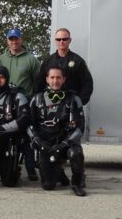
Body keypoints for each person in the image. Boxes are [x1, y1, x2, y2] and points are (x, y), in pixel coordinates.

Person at [28, 66, 87, 196]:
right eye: (52, 77)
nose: (55, 81)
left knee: (76, 153)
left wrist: (64, 144)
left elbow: (80, 127)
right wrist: (38, 141)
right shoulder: (36, 99)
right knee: (48, 186)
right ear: (47, 79)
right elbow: (30, 125)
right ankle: (58, 171)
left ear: (64, 79)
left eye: (58, 77)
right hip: (46, 145)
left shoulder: (74, 99)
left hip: (66, 144)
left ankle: (77, 183)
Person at [0, 27, 41, 181]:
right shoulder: (0, 59)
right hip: (5, 104)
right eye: (11, 39)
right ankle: (2, 168)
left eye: (16, 38)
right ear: (7, 41)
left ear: (21, 39)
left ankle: (30, 169)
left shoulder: (31, 60)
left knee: (26, 136)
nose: (14, 42)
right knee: (4, 134)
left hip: (25, 103)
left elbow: (37, 84)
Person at [35, 27, 94, 102]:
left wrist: (80, 101)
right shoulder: (48, 61)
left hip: (71, 103)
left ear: (70, 40)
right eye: (58, 39)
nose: (61, 42)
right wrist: (39, 100)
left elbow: (87, 83)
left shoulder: (78, 61)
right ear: (55, 41)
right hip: (50, 102)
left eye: (64, 39)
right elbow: (39, 82)